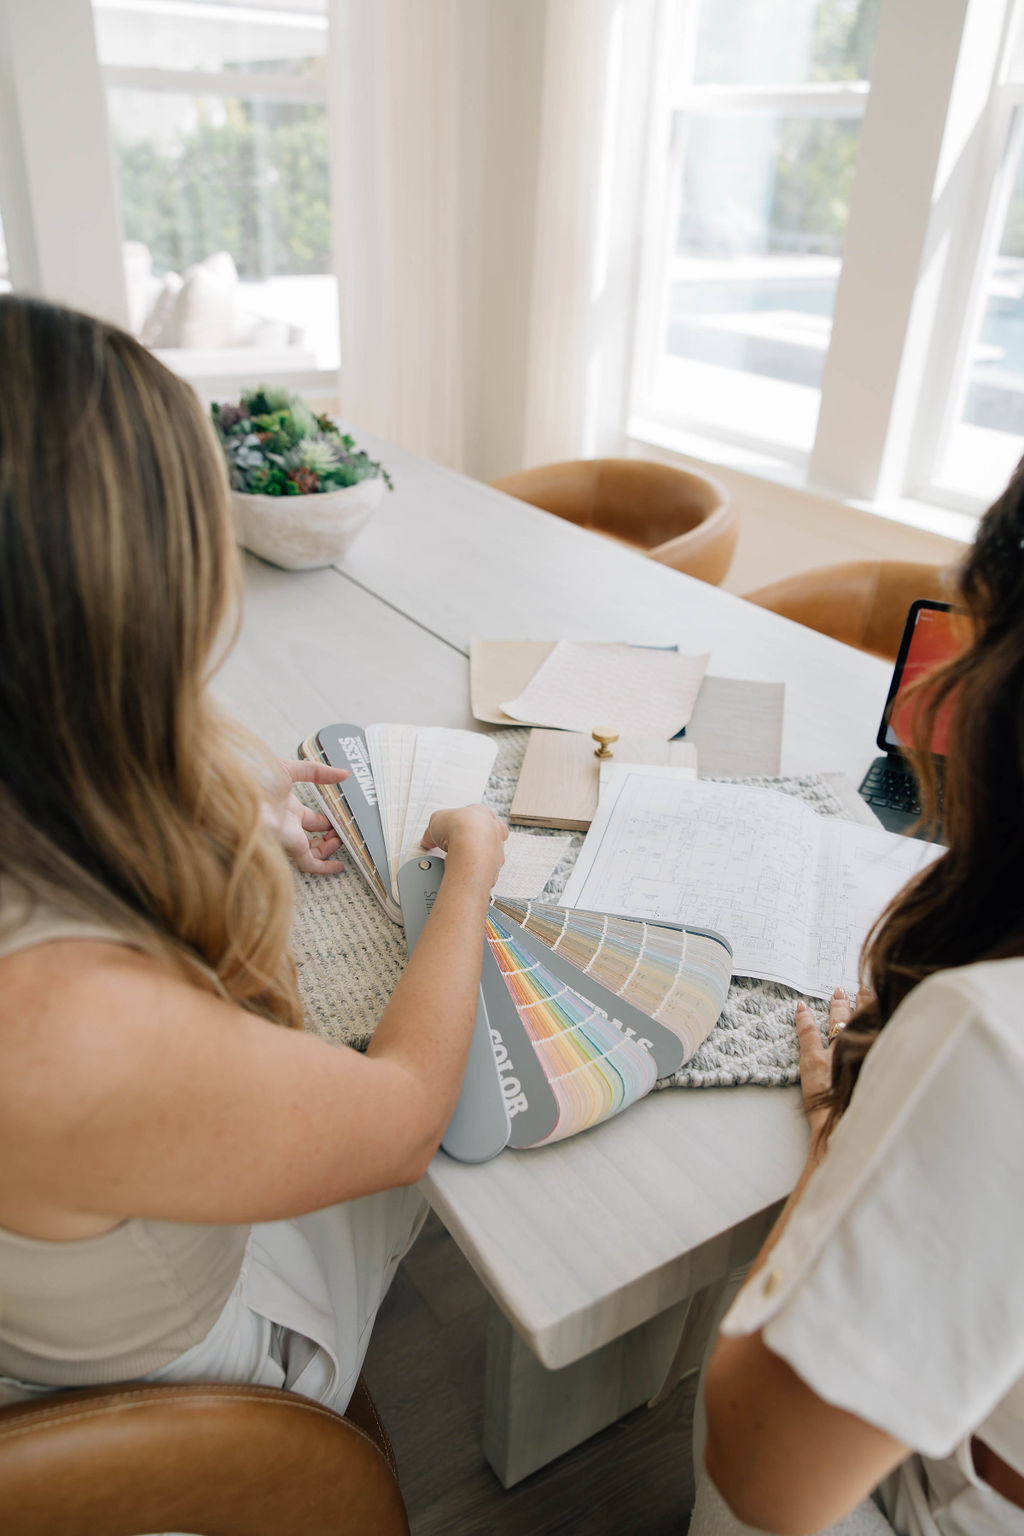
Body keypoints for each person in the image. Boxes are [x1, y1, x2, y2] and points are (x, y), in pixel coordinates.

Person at [0, 295, 506, 1411]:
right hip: (184, 1398)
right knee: (484, 1147)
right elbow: (407, 1115)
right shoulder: (70, 1018)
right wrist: (468, 866)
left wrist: (190, 792)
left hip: (57, 1297)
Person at [695, 463, 1024, 1536]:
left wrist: (843, 1134)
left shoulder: (990, 1035)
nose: (929, 697)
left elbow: (762, 1478)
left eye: (972, 635)